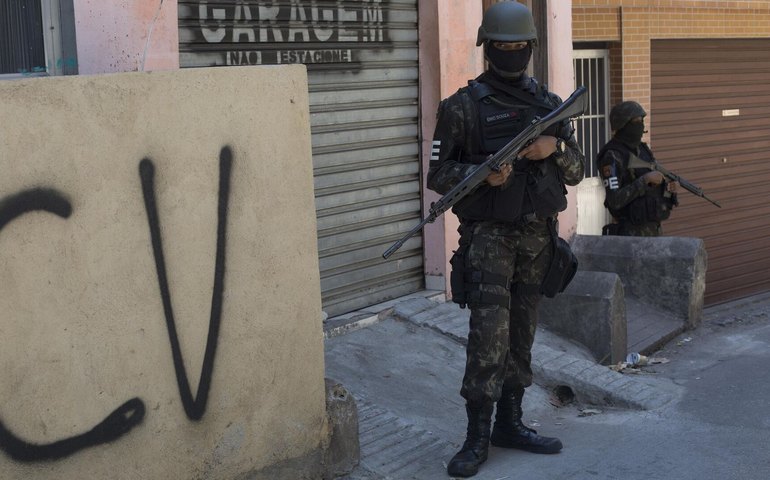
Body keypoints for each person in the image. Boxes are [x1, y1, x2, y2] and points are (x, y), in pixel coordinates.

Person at [426, 2, 585, 477]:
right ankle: (477, 436)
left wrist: (553, 147)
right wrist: (480, 174)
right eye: (503, 46)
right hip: (489, 243)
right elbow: (438, 174)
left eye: (519, 46)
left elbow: (577, 171)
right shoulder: (461, 107)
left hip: (537, 242)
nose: (511, 53)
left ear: (531, 48)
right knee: (488, 340)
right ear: (488, 48)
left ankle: (510, 424)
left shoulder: (550, 105)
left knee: (521, 337)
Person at [598, 101, 679, 236]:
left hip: (654, 230)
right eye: (636, 121)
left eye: (642, 121)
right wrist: (644, 180)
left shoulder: (642, 149)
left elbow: (654, 182)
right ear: (623, 124)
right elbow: (614, 200)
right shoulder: (612, 155)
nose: (640, 125)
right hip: (630, 236)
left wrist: (669, 187)